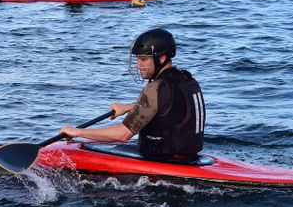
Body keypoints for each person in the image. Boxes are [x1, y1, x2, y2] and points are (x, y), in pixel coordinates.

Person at [60, 28, 206, 163]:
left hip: (162, 160)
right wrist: (129, 108)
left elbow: (123, 134)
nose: (138, 65)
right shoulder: (188, 80)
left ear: (161, 59)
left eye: (143, 59)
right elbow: (170, 110)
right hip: (190, 158)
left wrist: (77, 132)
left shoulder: (155, 87)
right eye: (137, 59)